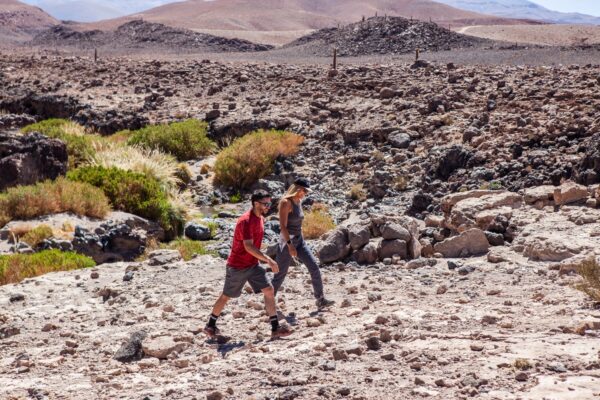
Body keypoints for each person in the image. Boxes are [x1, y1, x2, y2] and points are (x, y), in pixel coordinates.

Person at [204, 189, 293, 339]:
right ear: (255, 203)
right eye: (265, 204)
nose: (267, 206)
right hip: (237, 266)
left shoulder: (260, 219)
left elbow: (254, 246)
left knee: (269, 290)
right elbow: (248, 246)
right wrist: (268, 259)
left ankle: (275, 327)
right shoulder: (245, 221)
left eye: (269, 203)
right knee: (226, 296)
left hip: (252, 265)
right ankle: (210, 325)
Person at [272, 178, 335, 309]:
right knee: (280, 275)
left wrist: (300, 239)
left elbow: (298, 222)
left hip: (299, 240)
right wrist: (290, 246)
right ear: (298, 189)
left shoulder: (299, 201)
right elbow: (283, 227)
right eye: (305, 190)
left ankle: (320, 299)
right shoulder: (286, 203)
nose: (305, 193)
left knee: (314, 267)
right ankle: (269, 302)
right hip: (287, 242)